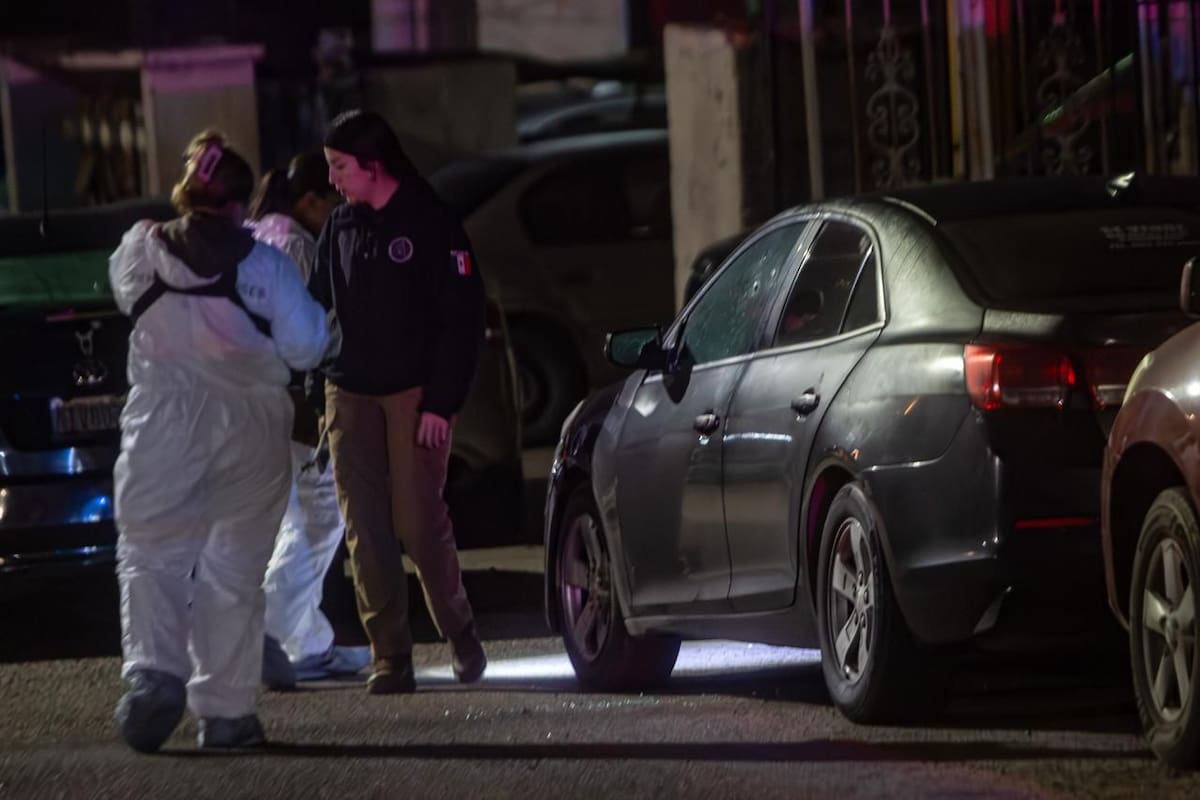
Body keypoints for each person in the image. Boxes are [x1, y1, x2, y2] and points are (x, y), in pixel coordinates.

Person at [109, 131, 333, 752]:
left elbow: (125, 296)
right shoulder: (267, 267)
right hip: (250, 430)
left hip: (160, 425)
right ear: (239, 205)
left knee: (151, 552)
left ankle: (154, 676)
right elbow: (307, 346)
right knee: (233, 571)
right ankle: (226, 715)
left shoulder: (140, 249)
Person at [309, 109, 487, 694]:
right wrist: (316, 389)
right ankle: (390, 654)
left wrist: (441, 402)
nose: (331, 179)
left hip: (413, 394)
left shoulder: (431, 222)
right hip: (349, 392)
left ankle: (459, 631)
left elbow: (462, 320)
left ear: (373, 165)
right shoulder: (340, 227)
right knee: (364, 528)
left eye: (340, 166)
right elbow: (316, 310)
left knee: (418, 523)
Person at [246, 153, 369, 686]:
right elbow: (307, 334)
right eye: (333, 201)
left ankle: (309, 642)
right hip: (290, 403)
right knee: (320, 517)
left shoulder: (258, 232)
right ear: (311, 200)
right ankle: (265, 637)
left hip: (249, 404)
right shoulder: (294, 245)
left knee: (294, 522)